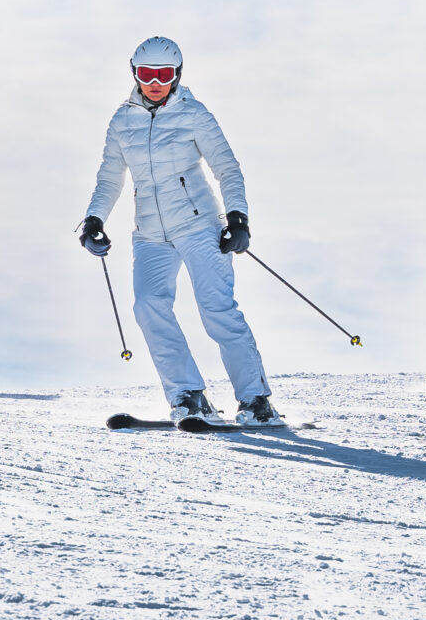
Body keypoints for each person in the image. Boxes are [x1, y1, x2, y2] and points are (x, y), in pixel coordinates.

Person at [79, 38, 283, 426]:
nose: (155, 82)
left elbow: (227, 167)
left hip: (199, 225)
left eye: (164, 75)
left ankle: (256, 400)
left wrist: (237, 218)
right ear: (134, 74)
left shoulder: (194, 114)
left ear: (177, 75)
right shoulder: (122, 121)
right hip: (151, 233)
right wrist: (93, 219)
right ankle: (188, 394)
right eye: (146, 74)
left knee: (216, 309)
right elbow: (109, 178)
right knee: (147, 305)